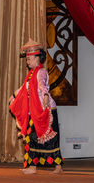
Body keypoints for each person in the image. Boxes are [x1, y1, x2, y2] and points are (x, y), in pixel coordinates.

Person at [9, 39, 63, 174]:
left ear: (38, 58)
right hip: (34, 110)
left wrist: (45, 95)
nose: (27, 62)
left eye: (29, 59)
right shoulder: (30, 74)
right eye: (26, 59)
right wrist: (14, 96)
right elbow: (23, 88)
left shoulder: (41, 72)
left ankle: (57, 166)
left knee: (50, 138)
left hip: (45, 109)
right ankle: (32, 166)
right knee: (31, 136)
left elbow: (42, 85)